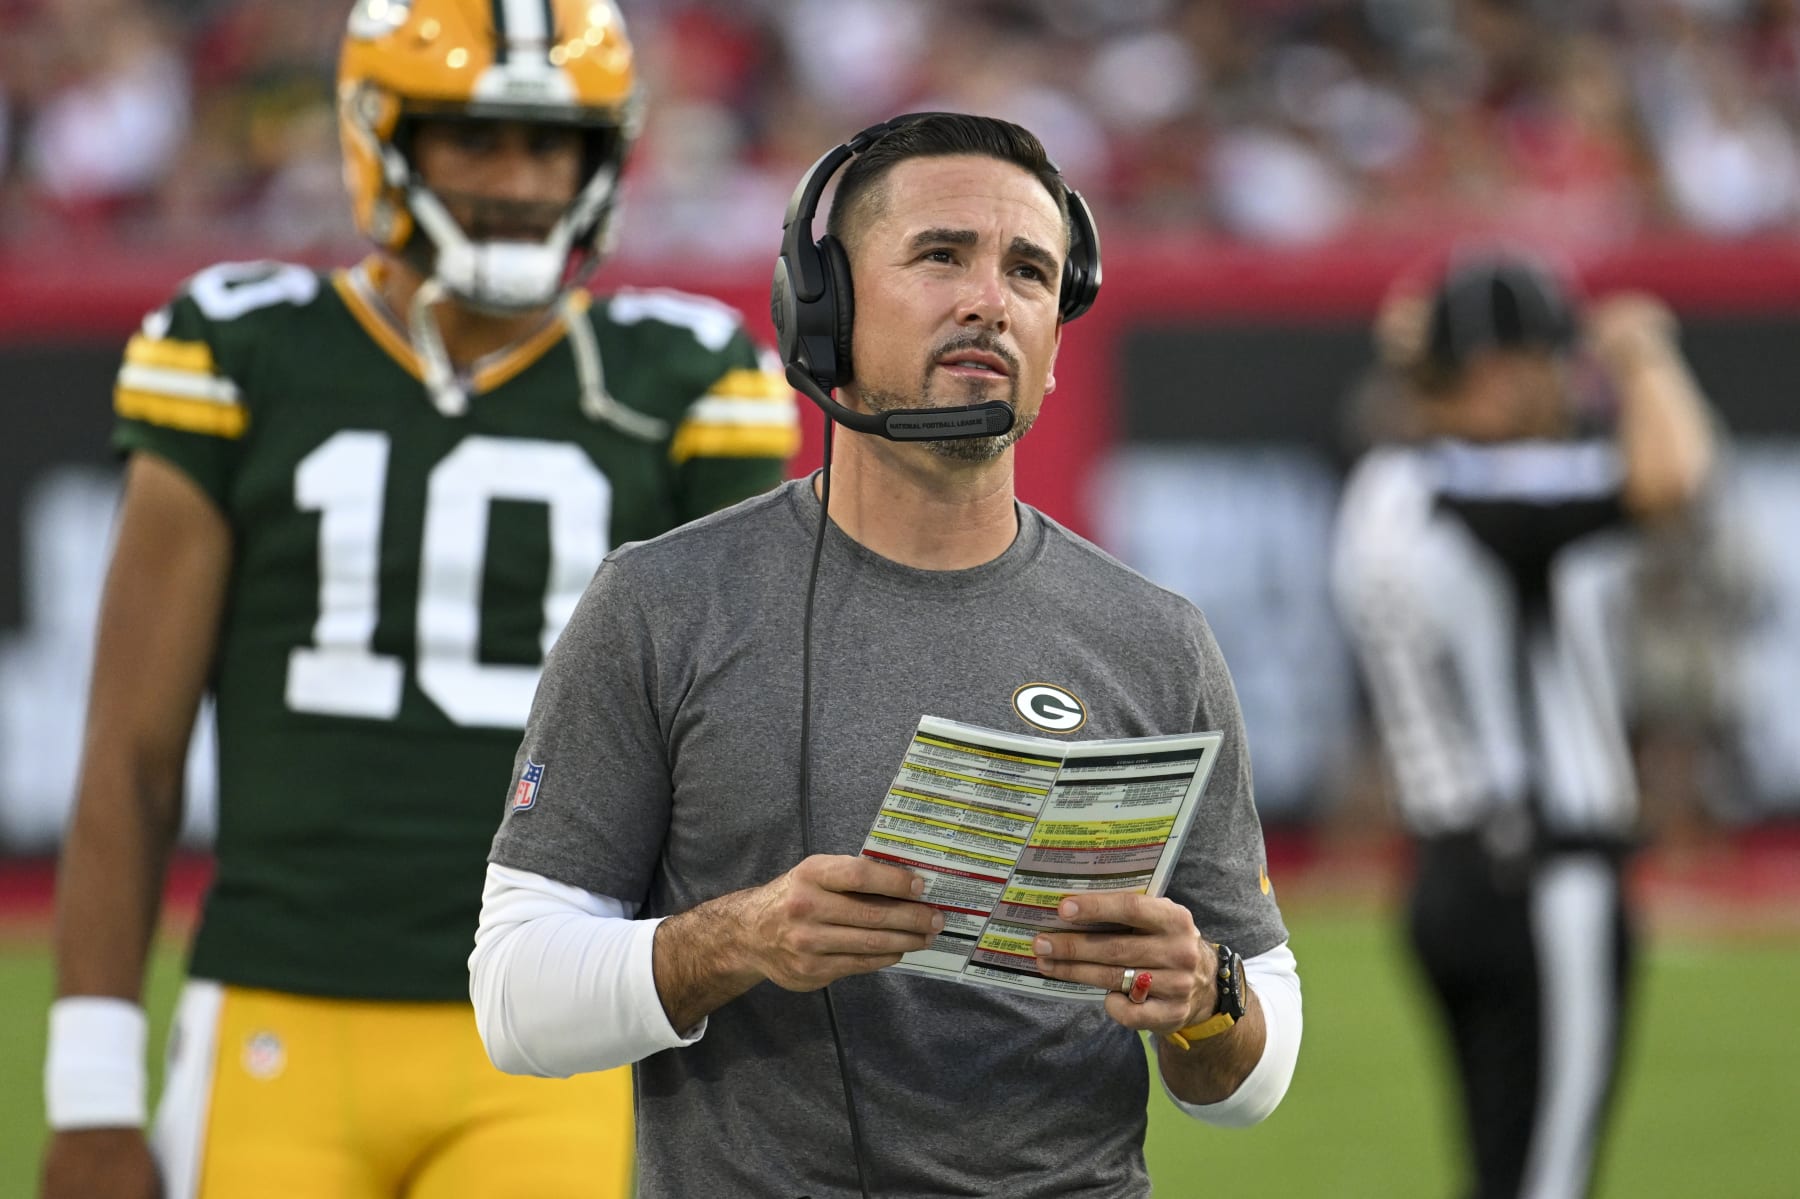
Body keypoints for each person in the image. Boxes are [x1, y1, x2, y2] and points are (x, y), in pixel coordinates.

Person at [469, 111, 1304, 1198]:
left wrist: (1206, 995)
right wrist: (738, 938)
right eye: (941, 254)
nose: (988, 301)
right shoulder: (662, 602)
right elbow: (516, 997)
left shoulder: (1155, 638)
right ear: (824, 307)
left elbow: (1252, 1066)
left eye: (1029, 271)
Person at [40, 2, 797, 1197]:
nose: (520, 179)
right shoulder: (243, 349)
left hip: (559, 1022)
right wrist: (89, 1086)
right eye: (476, 137)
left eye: (554, 145)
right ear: (380, 136)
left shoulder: (684, 377)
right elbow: (133, 746)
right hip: (282, 1007)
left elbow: (738, 760)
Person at [1331, 251, 1717, 1199]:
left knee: (1502, 1172)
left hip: (1449, 873)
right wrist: (1642, 354)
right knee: (1548, 1181)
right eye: (1547, 360)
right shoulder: (1484, 495)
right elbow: (1673, 478)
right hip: (1542, 879)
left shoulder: (1385, 483)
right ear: (1500, 371)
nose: (1564, 384)